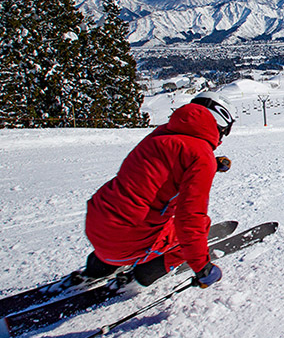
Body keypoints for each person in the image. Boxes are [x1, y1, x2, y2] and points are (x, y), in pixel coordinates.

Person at [79, 91, 235, 289]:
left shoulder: (162, 134)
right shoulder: (200, 156)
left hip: (98, 224)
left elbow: (165, 166)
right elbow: (189, 218)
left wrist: (211, 163)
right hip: (127, 241)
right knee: (200, 226)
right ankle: (147, 272)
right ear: (221, 123)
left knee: (131, 211)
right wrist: (202, 268)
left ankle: (98, 267)